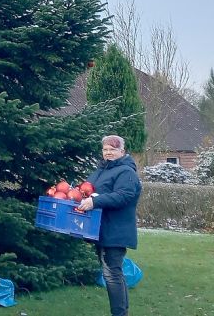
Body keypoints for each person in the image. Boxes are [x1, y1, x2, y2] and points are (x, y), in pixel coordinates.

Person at [77, 135, 142, 316]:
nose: (108, 152)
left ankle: (119, 314)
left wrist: (95, 202)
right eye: (105, 149)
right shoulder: (101, 170)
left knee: (112, 275)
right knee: (113, 274)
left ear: (122, 151)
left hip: (116, 230)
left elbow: (124, 195)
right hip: (102, 229)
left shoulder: (126, 172)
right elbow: (88, 189)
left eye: (113, 149)